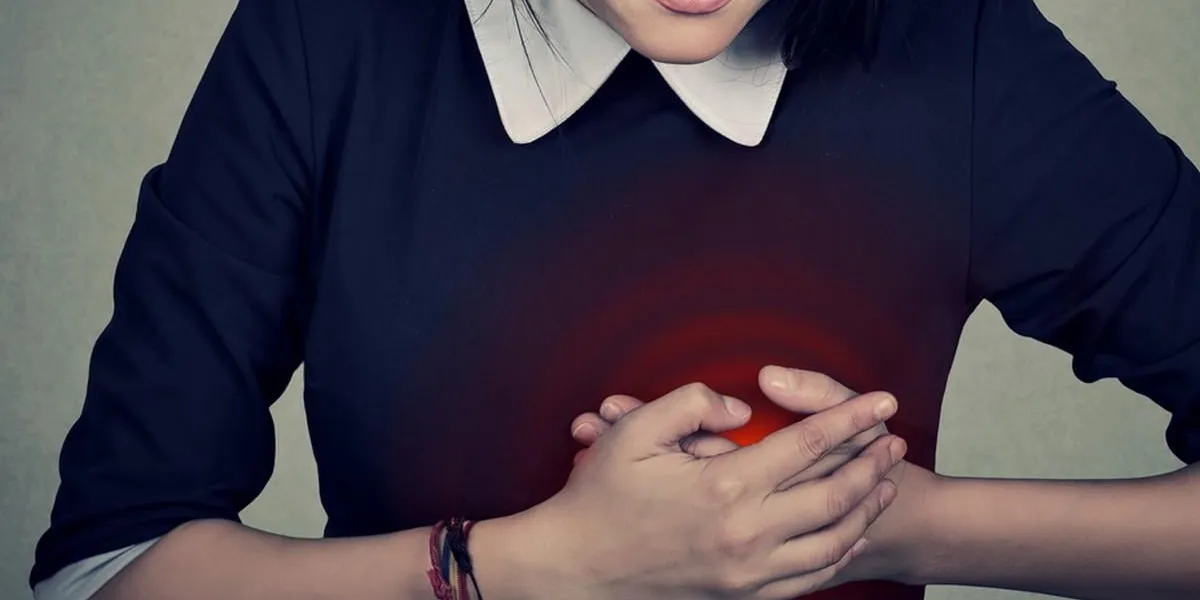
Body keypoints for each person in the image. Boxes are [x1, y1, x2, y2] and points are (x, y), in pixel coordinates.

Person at [30, 0, 1200, 598]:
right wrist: (530, 569)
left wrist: (892, 527)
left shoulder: (960, 43)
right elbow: (109, 568)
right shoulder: (325, 36)